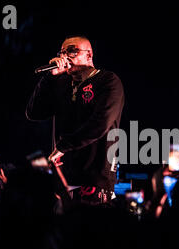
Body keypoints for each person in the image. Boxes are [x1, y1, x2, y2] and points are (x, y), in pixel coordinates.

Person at [26, 35, 125, 205]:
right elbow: (34, 113)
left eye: (72, 51)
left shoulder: (108, 81)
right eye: (63, 52)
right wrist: (49, 78)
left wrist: (64, 146)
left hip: (94, 178)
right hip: (63, 179)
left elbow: (101, 122)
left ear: (89, 55)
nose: (65, 56)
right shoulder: (61, 84)